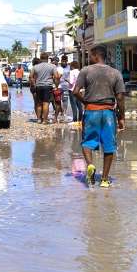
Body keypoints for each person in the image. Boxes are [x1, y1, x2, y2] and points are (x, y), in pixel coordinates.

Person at [72, 45, 125, 188]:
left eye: (90, 55)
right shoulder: (115, 73)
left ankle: (90, 165)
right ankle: (105, 179)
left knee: (87, 142)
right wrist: (121, 117)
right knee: (109, 145)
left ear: (95, 55)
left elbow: (75, 91)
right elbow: (120, 97)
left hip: (91, 112)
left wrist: (86, 102)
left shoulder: (86, 70)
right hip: (108, 113)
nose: (89, 58)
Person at [30, 53, 57, 124]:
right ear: (47, 58)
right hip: (48, 86)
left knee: (38, 103)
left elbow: (31, 76)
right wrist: (56, 85)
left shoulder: (35, 67)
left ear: (40, 58)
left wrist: (34, 84)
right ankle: (45, 120)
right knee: (46, 103)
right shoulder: (52, 66)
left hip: (38, 86)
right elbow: (56, 76)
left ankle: (39, 119)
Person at [55, 55, 72, 123]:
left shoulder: (70, 68)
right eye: (63, 61)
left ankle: (64, 112)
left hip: (66, 86)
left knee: (65, 100)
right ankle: (60, 111)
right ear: (61, 61)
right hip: (59, 86)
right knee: (58, 100)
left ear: (67, 61)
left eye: (65, 61)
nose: (64, 62)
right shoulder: (58, 68)